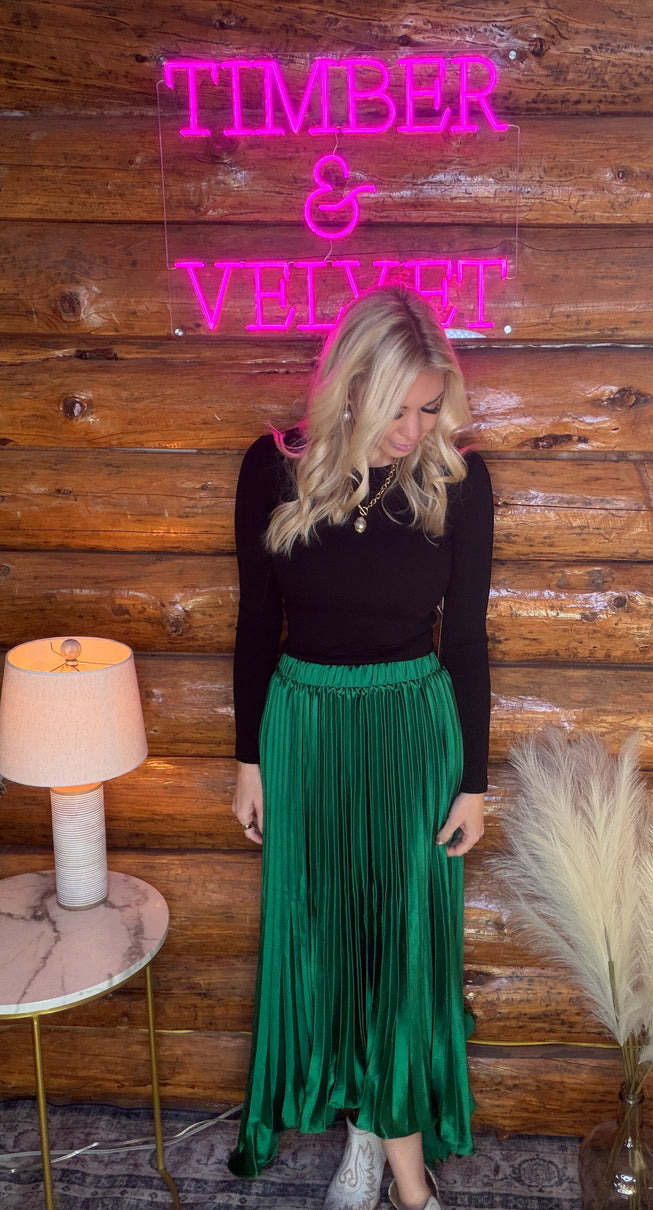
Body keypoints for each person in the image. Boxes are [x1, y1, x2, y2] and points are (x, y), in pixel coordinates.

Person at [228, 284, 494, 1210]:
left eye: (430, 409)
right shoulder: (272, 468)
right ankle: (363, 1138)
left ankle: (399, 1169)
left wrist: (473, 780)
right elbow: (257, 623)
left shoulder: (459, 479)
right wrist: (249, 762)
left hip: (412, 733)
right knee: (327, 941)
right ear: (350, 385)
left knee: (402, 950)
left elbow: (465, 639)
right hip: (304, 729)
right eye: (399, 409)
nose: (414, 429)